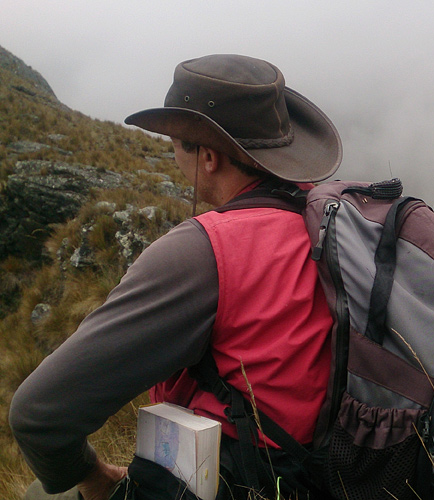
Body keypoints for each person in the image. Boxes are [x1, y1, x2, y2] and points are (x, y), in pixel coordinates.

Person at [9, 54, 342, 499]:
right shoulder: (336, 220)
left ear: (207, 157)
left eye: (176, 140)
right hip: (346, 467)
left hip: (251, 481)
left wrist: (91, 475)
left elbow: (37, 414)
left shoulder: (201, 251)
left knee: (39, 494)